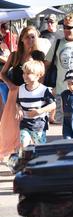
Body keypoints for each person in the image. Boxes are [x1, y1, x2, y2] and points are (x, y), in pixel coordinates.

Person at [0, 27, 41, 159]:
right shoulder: (14, 55)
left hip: (31, 95)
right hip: (15, 94)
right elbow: (2, 74)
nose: (30, 40)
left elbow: (42, 77)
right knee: (14, 125)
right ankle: (16, 154)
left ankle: (28, 155)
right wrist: (10, 85)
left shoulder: (38, 56)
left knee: (30, 125)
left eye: (33, 37)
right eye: (27, 37)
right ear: (21, 39)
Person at [16, 60, 56, 148]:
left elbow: (53, 105)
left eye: (28, 73)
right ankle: (25, 161)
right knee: (23, 146)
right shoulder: (21, 89)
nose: (24, 76)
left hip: (39, 126)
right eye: (24, 73)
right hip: (24, 124)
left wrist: (39, 111)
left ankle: (40, 161)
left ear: (38, 76)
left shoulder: (43, 90)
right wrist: (19, 110)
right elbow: (18, 103)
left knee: (40, 148)